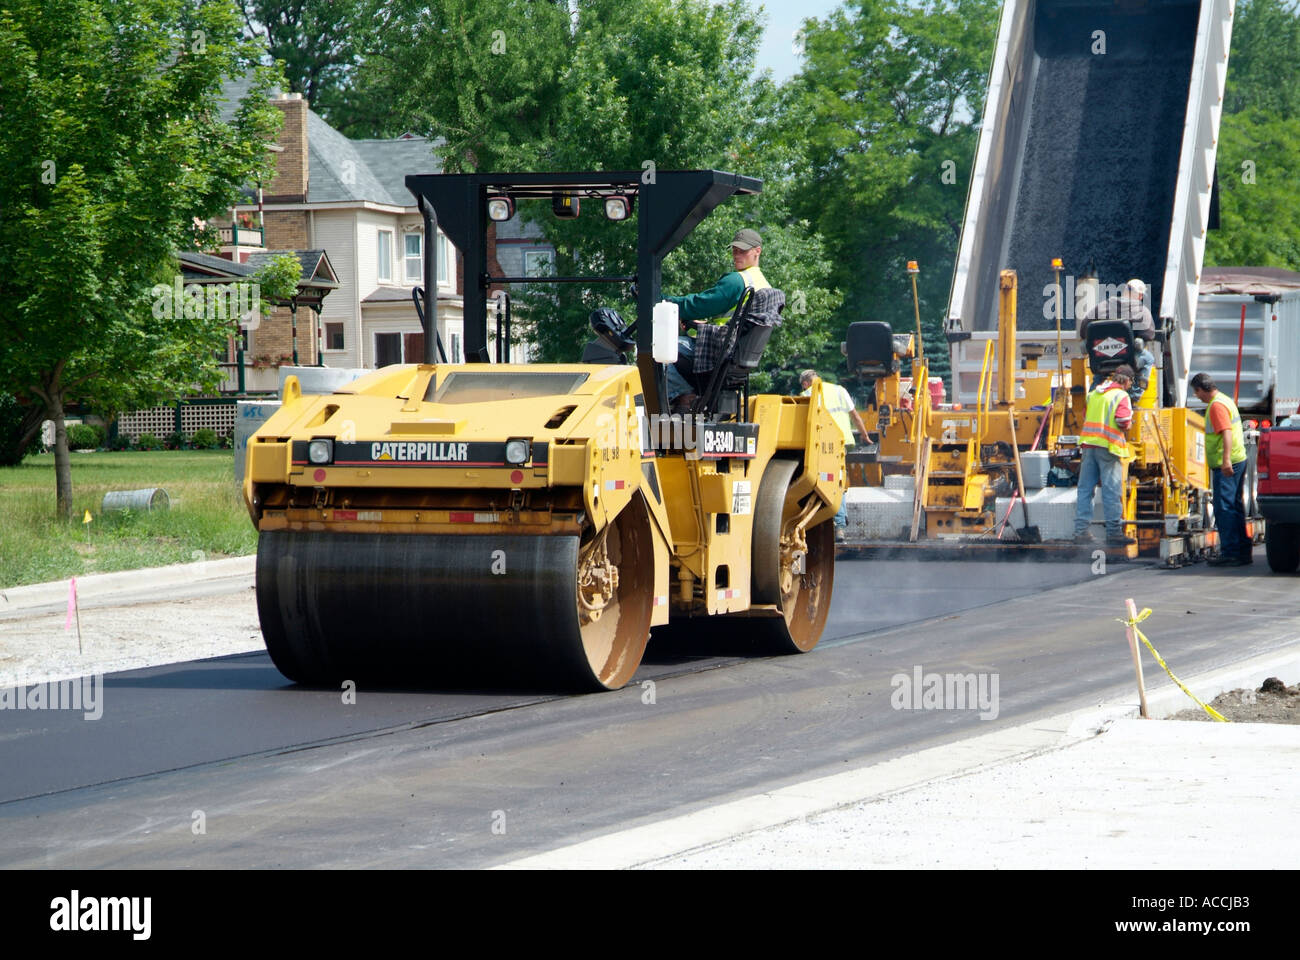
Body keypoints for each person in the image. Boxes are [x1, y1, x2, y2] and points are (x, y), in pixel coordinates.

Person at [664, 228, 769, 412]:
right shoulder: (763, 284)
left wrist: (664, 300)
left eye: (742, 251)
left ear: (757, 251)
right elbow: (738, 324)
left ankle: (684, 397)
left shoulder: (737, 281)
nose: (737, 255)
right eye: (734, 250)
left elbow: (699, 305)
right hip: (735, 352)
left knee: (659, 347)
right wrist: (700, 326)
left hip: (719, 351)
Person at [800, 369, 868, 543]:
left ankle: (818, 523)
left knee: (819, 480)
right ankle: (839, 525)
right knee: (836, 481)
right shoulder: (839, 390)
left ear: (806, 383)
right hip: (839, 444)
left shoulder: (806, 395)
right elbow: (855, 416)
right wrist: (865, 436)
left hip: (819, 444)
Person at [1191, 372, 1251, 566]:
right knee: (1235, 506)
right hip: (1237, 460)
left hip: (1228, 464)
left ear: (1201, 389)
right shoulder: (1224, 400)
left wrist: (1225, 460)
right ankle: (1242, 551)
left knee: (1224, 507)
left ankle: (1231, 552)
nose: (1196, 396)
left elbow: (1226, 432)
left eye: (1196, 392)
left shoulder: (1216, 406)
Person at [1074, 364, 1137, 546]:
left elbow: (1086, 415)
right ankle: (1113, 533)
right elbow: (1123, 421)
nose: (1129, 386)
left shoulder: (1094, 394)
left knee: (1085, 490)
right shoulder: (1121, 395)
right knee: (1111, 491)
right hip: (1108, 447)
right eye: (1130, 383)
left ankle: (1081, 532)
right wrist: (1129, 424)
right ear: (1125, 380)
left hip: (1088, 445)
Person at [1078, 278, 1157, 343]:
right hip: (1130, 357)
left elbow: (1083, 331)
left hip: (1102, 355)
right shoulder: (1142, 311)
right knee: (1149, 358)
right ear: (1140, 296)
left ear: (1124, 292)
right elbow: (1149, 335)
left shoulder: (1102, 306)